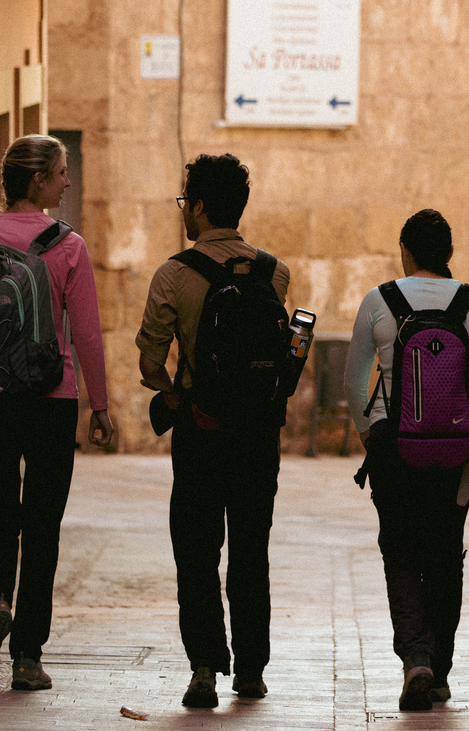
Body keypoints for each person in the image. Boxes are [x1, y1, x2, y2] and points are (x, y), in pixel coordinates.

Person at [344, 208, 469, 711]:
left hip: (393, 446)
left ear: (405, 250)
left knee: (399, 549)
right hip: (460, 452)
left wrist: (368, 433)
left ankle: (416, 656)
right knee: (447, 551)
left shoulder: (380, 301)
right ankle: (439, 671)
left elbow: (356, 381)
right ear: (449, 254)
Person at [0, 134, 114, 691]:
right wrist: (101, 405)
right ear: (41, 181)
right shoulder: (66, 245)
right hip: (53, 398)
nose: (67, 182)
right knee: (42, 526)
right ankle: (27, 655)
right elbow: (88, 334)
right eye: (62, 173)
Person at [136, 153, 290, 709]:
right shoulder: (275, 273)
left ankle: (204, 665)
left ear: (199, 207)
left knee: (197, 549)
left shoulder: (174, 275)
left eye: (185, 203)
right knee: (252, 546)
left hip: (200, 431)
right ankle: (251, 669)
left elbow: (150, 365)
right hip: (257, 435)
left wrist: (176, 394)